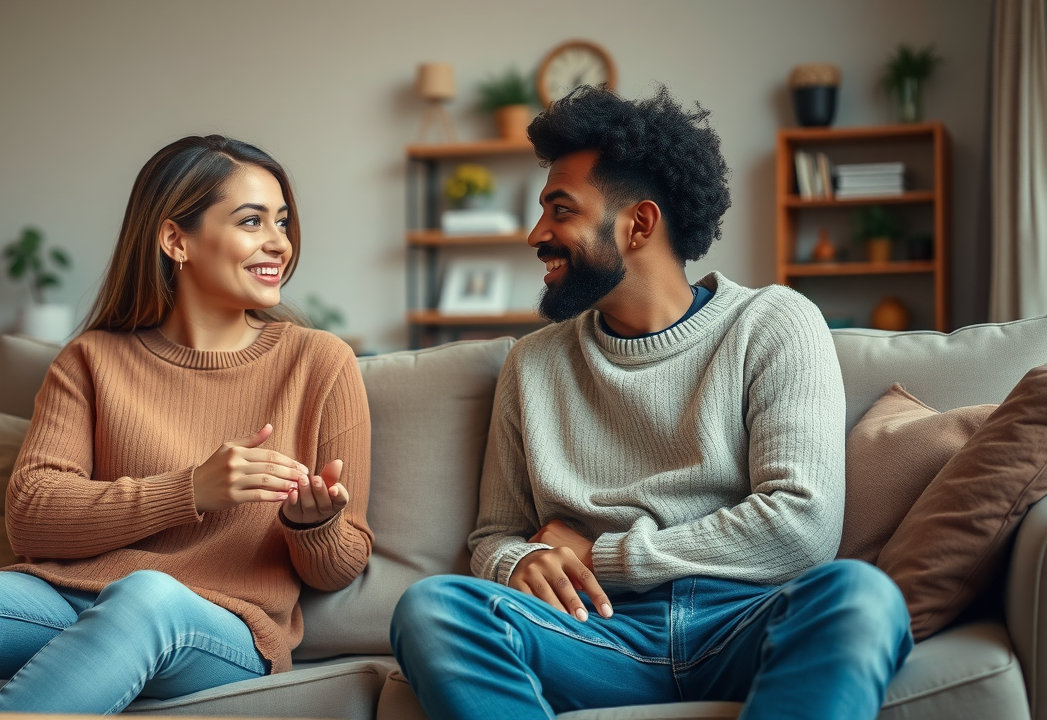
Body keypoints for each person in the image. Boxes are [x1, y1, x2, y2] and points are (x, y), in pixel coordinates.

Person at [390, 86, 912, 720]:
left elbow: (801, 526)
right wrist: (522, 561)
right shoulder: (533, 365)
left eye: (561, 210)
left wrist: (600, 554)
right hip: (593, 635)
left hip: (741, 621)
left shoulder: (772, 323)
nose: (536, 234)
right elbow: (494, 537)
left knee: (861, 596)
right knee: (434, 609)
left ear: (639, 224)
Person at [0, 135, 373, 713]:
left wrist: (312, 525)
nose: (280, 244)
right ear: (176, 240)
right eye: (252, 222)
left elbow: (341, 566)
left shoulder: (320, 362)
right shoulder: (90, 360)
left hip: (220, 627)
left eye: (283, 222)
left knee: (147, 596)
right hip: (65, 602)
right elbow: (31, 516)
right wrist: (190, 489)